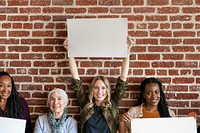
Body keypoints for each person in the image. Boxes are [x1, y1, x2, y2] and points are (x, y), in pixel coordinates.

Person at [63, 36, 133, 133]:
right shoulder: (85, 103)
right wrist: (70, 52)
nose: (100, 92)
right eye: (96, 88)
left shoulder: (113, 103)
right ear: (92, 89)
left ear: (107, 90)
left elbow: (123, 78)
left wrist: (127, 50)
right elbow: (75, 78)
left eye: (103, 88)